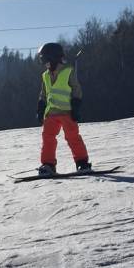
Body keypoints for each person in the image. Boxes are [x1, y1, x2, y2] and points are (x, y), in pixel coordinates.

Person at [36, 42, 91, 176]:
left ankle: (82, 162)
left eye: (46, 61)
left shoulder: (68, 71)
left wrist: (76, 106)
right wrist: (41, 108)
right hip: (51, 113)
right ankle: (48, 164)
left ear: (54, 58)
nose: (45, 64)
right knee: (48, 138)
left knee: (72, 137)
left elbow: (76, 89)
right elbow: (44, 94)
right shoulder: (45, 75)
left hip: (67, 112)